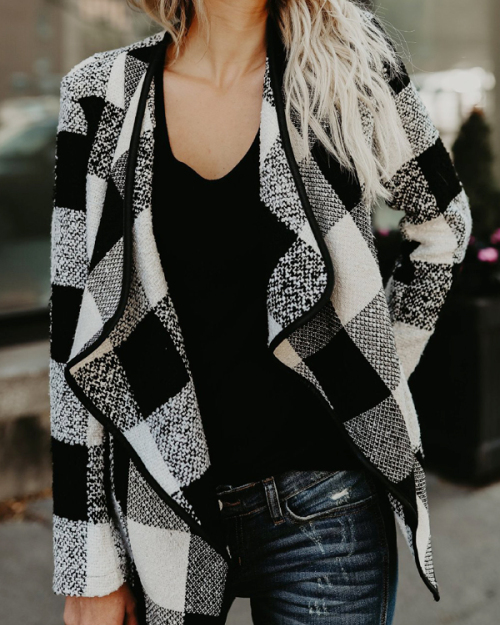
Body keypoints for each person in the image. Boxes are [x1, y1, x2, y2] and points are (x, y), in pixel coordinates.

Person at [49, 0, 472, 624]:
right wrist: (87, 568)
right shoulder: (100, 94)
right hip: (163, 508)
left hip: (327, 505)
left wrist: (373, 372)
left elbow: (441, 226)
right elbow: (75, 336)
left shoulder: (348, 69)